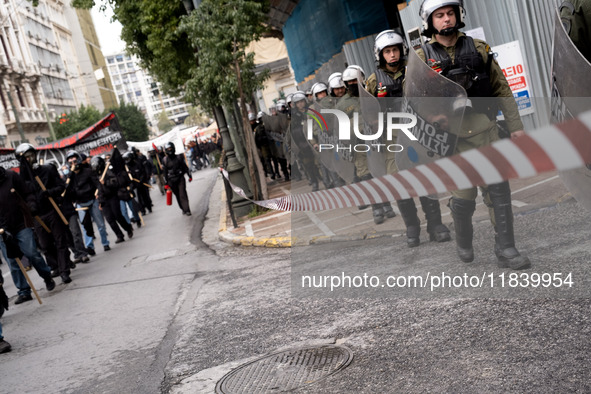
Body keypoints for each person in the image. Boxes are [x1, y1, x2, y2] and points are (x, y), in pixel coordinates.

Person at [416, 0, 529, 269]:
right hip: (452, 139)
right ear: (430, 22)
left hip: (485, 131)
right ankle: (464, 242)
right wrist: (431, 120)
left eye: (450, 13)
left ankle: (506, 248)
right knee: (464, 198)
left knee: (498, 191)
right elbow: (414, 101)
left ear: (458, 15)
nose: (446, 19)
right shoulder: (420, 59)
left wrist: (516, 127)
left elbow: (501, 88)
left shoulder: (479, 49)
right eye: (440, 15)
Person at [366, 30, 450, 247]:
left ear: (401, 50)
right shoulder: (374, 81)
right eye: (387, 51)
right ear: (380, 55)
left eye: (394, 49)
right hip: (392, 141)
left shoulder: (414, 70)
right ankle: (412, 227)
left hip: (418, 135)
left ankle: (435, 224)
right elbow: (367, 112)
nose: (392, 55)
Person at [16, 143, 73, 283]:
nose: (30, 158)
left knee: (60, 241)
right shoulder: (21, 179)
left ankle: (65, 271)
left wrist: (49, 193)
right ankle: (57, 266)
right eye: (26, 157)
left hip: (52, 210)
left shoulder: (47, 170)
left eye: (31, 155)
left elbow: (61, 186)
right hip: (37, 216)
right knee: (45, 245)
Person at [0, 166, 56, 304]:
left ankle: (46, 275)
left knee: (31, 253)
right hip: (2, 229)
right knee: (13, 262)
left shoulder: (11, 176)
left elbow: (27, 193)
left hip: (20, 224)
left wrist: (31, 205)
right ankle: (24, 291)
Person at [65, 150, 111, 254]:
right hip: (80, 204)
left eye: (75, 161)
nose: (73, 164)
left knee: (100, 224)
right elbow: (67, 191)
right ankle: (90, 247)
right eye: (71, 162)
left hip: (92, 200)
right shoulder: (69, 177)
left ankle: (105, 243)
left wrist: (100, 199)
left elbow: (98, 185)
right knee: (85, 227)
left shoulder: (88, 171)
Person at [92, 156, 134, 244]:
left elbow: (115, 183)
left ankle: (128, 227)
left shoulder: (108, 172)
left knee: (117, 215)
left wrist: (106, 183)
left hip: (112, 197)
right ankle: (119, 235)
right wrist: (100, 201)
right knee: (110, 219)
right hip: (104, 200)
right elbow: (98, 189)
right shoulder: (95, 176)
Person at [162, 142, 192, 216]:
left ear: (174, 148)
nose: (169, 150)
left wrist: (189, 175)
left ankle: (187, 209)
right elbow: (165, 172)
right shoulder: (165, 160)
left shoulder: (179, 157)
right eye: (168, 149)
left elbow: (185, 167)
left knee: (182, 194)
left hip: (180, 178)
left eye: (170, 149)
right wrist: (166, 183)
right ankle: (182, 208)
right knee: (178, 195)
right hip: (171, 181)